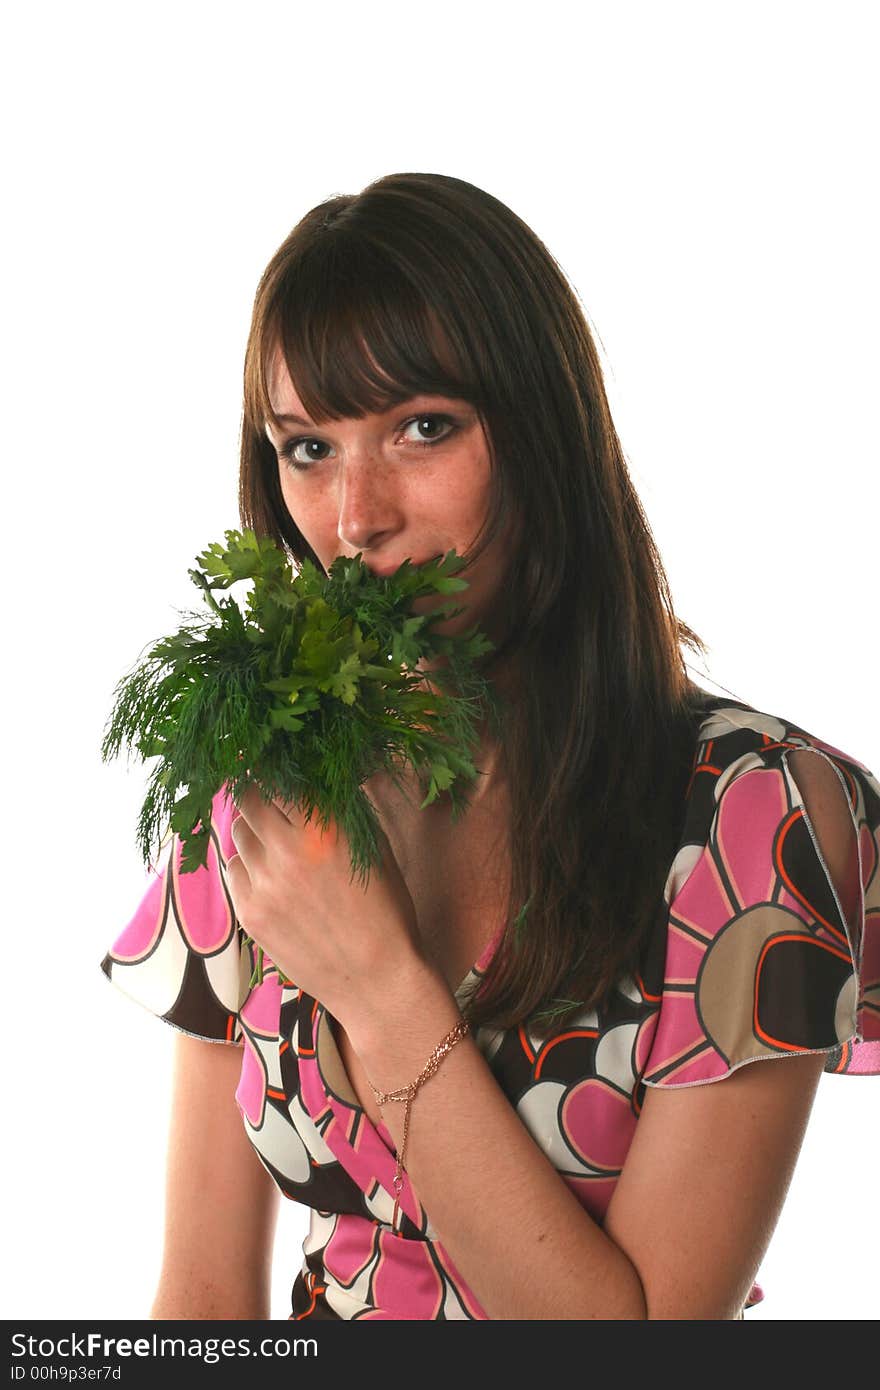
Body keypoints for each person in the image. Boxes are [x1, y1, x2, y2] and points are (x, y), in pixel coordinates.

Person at [100, 172, 880, 1321]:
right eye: (307, 446)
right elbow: (204, 1300)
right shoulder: (266, 789)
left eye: (423, 427)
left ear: (544, 435)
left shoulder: (757, 812)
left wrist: (376, 984)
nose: (357, 516)